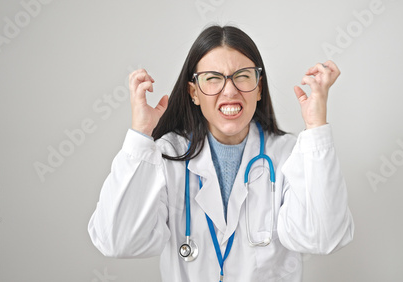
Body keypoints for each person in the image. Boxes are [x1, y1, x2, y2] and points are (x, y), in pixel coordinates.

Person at [88, 25, 354, 282]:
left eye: (243, 76)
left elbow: (324, 237)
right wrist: (141, 134)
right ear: (194, 93)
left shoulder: (286, 154)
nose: (229, 90)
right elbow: (116, 241)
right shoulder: (168, 155)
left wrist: (316, 126)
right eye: (213, 78)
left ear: (259, 87)